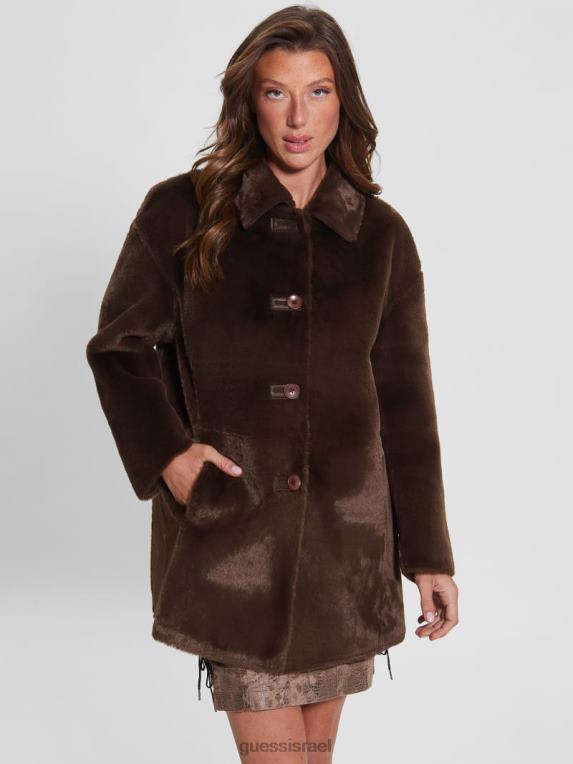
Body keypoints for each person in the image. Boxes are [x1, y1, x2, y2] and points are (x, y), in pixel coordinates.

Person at [86, 5, 459, 762]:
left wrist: (428, 553)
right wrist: (170, 457)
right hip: (236, 540)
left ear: (343, 100)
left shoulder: (380, 234)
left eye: (317, 92)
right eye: (275, 92)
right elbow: (119, 349)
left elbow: (406, 404)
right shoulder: (183, 211)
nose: (297, 118)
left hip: (346, 547)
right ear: (248, 100)